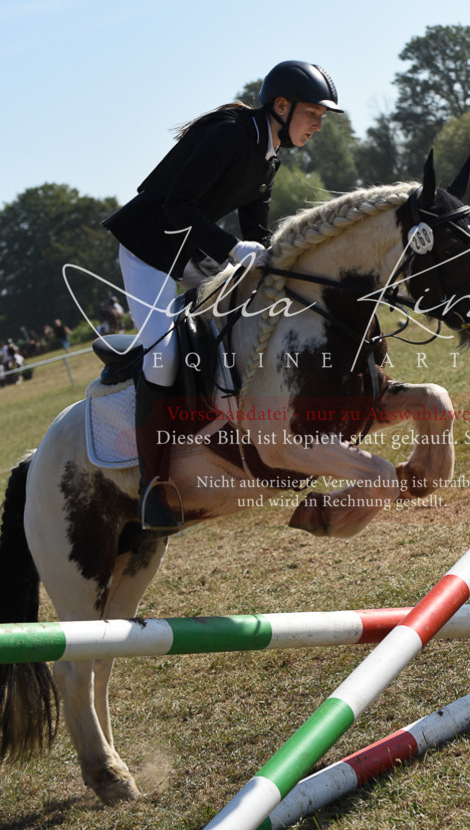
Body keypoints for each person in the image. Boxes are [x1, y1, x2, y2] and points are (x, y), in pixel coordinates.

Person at [102, 60, 344, 533]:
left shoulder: (269, 151)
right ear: (281, 105)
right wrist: (233, 249)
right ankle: (154, 485)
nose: (319, 123)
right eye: (314, 112)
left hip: (192, 248)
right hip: (150, 249)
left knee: (260, 308)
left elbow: (257, 230)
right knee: (164, 356)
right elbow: (177, 208)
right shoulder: (231, 136)